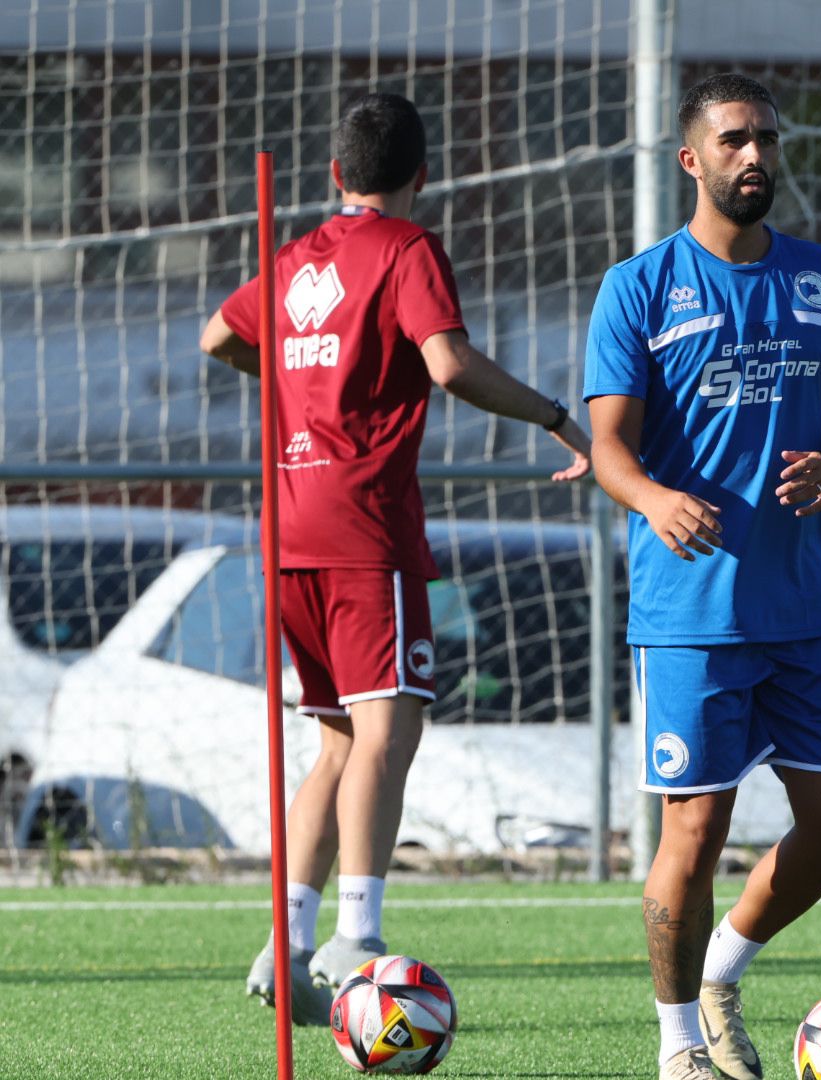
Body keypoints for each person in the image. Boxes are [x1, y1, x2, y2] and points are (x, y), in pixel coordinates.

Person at [200, 92, 592, 1026]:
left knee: (337, 737)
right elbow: (449, 363)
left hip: (289, 529)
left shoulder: (294, 258)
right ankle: (358, 934)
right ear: (422, 175)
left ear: (336, 174)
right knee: (390, 729)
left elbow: (218, 337)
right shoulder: (408, 251)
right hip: (367, 527)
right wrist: (551, 415)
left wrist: (301, 380)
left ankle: (286, 939)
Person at [584, 73, 821, 1080]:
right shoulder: (639, 287)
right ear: (692, 159)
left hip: (803, 606)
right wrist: (653, 500)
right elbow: (611, 449)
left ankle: (722, 971)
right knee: (696, 827)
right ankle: (679, 1047)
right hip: (692, 613)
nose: (754, 156)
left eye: (765, 138)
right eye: (733, 142)